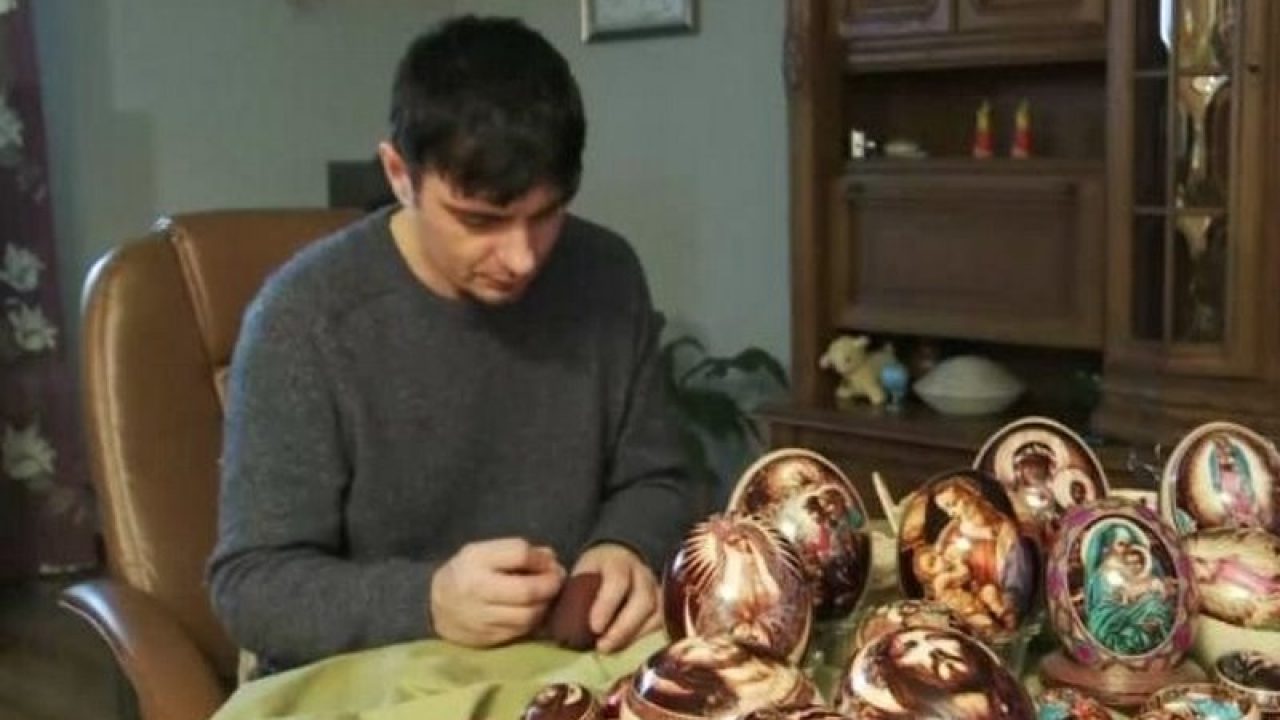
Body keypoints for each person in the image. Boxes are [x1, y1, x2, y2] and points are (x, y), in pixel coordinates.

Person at [207, 15, 699, 673]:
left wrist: (626, 546)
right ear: (399, 174)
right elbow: (251, 587)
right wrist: (429, 601)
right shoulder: (306, 321)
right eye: (480, 221)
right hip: (377, 679)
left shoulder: (606, 273)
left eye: (546, 214)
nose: (522, 257)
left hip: (567, 669)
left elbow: (659, 478)